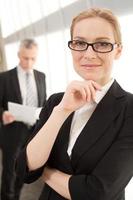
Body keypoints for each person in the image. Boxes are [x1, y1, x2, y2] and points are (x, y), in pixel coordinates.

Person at [15, 8, 133, 200]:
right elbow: (25, 168)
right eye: (79, 43)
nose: (89, 54)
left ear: (118, 50)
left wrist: (45, 171)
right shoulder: (56, 101)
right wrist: (62, 110)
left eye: (102, 44)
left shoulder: (129, 108)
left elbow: (97, 192)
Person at [0, 38, 47, 200]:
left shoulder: (41, 77)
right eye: (25, 58)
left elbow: (44, 103)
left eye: (33, 58)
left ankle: (17, 196)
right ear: (19, 55)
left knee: (23, 170)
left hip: (33, 132)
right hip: (12, 132)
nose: (29, 62)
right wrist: (2, 114)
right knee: (9, 172)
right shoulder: (5, 77)